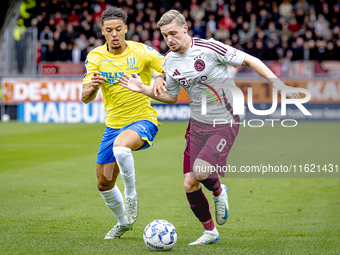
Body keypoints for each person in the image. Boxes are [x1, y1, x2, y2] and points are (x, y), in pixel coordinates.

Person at [118, 10, 300, 245]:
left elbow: (250, 60)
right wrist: (144, 89)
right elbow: (172, 97)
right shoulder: (170, 61)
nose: (169, 40)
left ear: (185, 29)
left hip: (226, 117)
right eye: (164, 36)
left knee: (201, 170)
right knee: (189, 183)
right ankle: (211, 232)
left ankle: (218, 191)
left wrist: (280, 86)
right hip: (197, 121)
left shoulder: (209, 48)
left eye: (173, 33)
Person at [81, 7, 165, 239]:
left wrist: (159, 77)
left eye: (119, 29)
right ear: (103, 32)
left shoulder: (142, 52)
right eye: (109, 30)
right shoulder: (95, 57)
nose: (115, 34)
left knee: (121, 146)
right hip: (113, 126)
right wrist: (93, 87)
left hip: (142, 120)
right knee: (104, 183)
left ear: (126, 29)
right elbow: (85, 98)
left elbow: (170, 68)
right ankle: (124, 222)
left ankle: (131, 194)